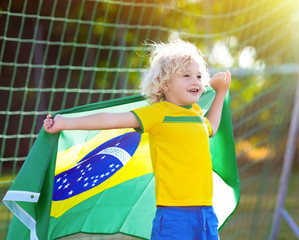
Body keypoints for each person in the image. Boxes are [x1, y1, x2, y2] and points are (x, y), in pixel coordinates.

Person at [43, 39, 231, 240]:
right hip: (174, 214)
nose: (196, 81)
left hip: (205, 213)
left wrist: (221, 92)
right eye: (186, 76)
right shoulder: (158, 114)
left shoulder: (196, 115)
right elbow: (111, 120)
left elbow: (211, 128)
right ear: (165, 83)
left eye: (199, 76)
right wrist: (65, 123)